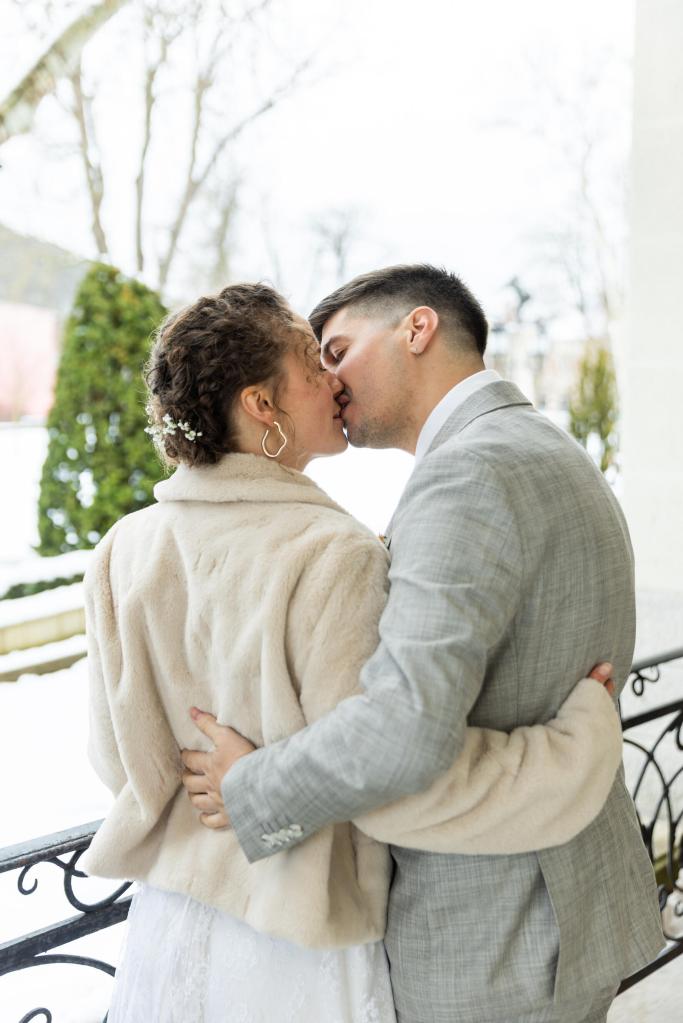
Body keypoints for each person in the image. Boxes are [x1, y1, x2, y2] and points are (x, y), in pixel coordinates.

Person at [83, 282, 623, 1023]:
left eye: (333, 354)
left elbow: (117, 759)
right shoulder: (333, 553)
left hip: (169, 925)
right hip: (297, 931)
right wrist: (577, 751)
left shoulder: (121, 549)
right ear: (261, 404)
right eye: (315, 362)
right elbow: (390, 779)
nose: (332, 380)